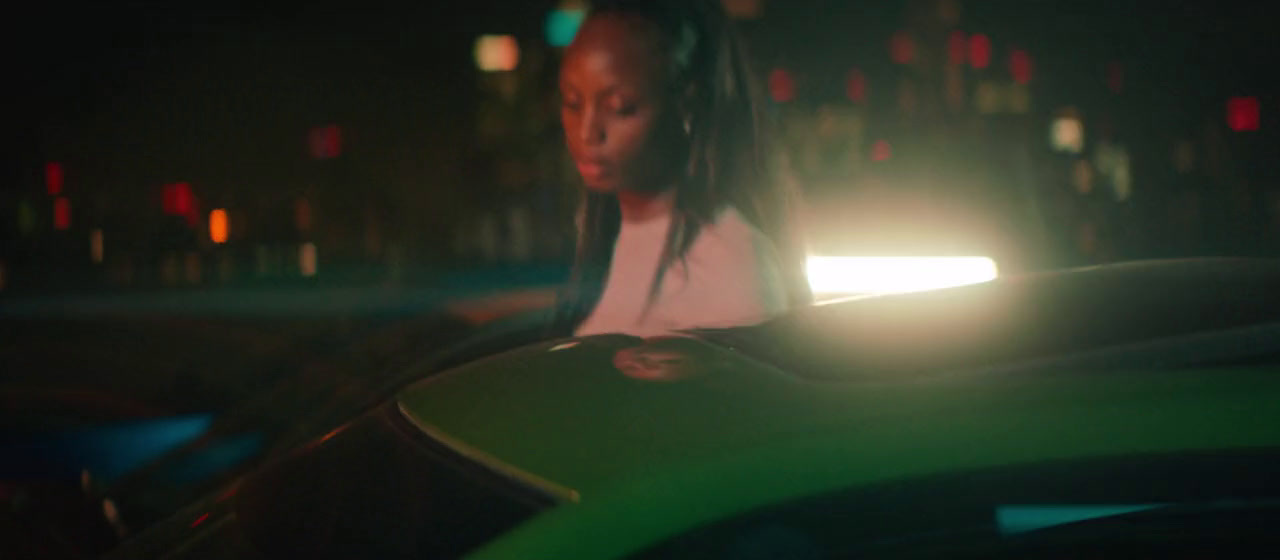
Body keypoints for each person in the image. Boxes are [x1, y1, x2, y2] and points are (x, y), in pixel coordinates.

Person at [548, 0, 811, 338]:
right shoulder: (606, 233)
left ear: (688, 101)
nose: (587, 132)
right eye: (572, 102)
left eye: (620, 107)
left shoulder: (728, 266)